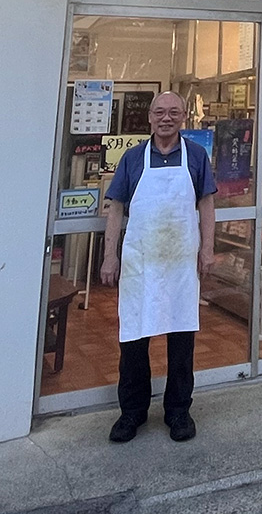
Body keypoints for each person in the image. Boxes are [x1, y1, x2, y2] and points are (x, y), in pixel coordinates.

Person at [101, 91, 216, 443]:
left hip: (181, 261)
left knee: (182, 339)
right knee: (134, 338)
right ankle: (131, 413)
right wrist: (110, 255)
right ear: (149, 117)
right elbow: (116, 209)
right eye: (160, 112)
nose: (167, 118)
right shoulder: (133, 158)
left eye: (174, 112)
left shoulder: (196, 156)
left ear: (183, 117)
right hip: (141, 261)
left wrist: (207, 249)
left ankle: (179, 411)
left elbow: (207, 205)